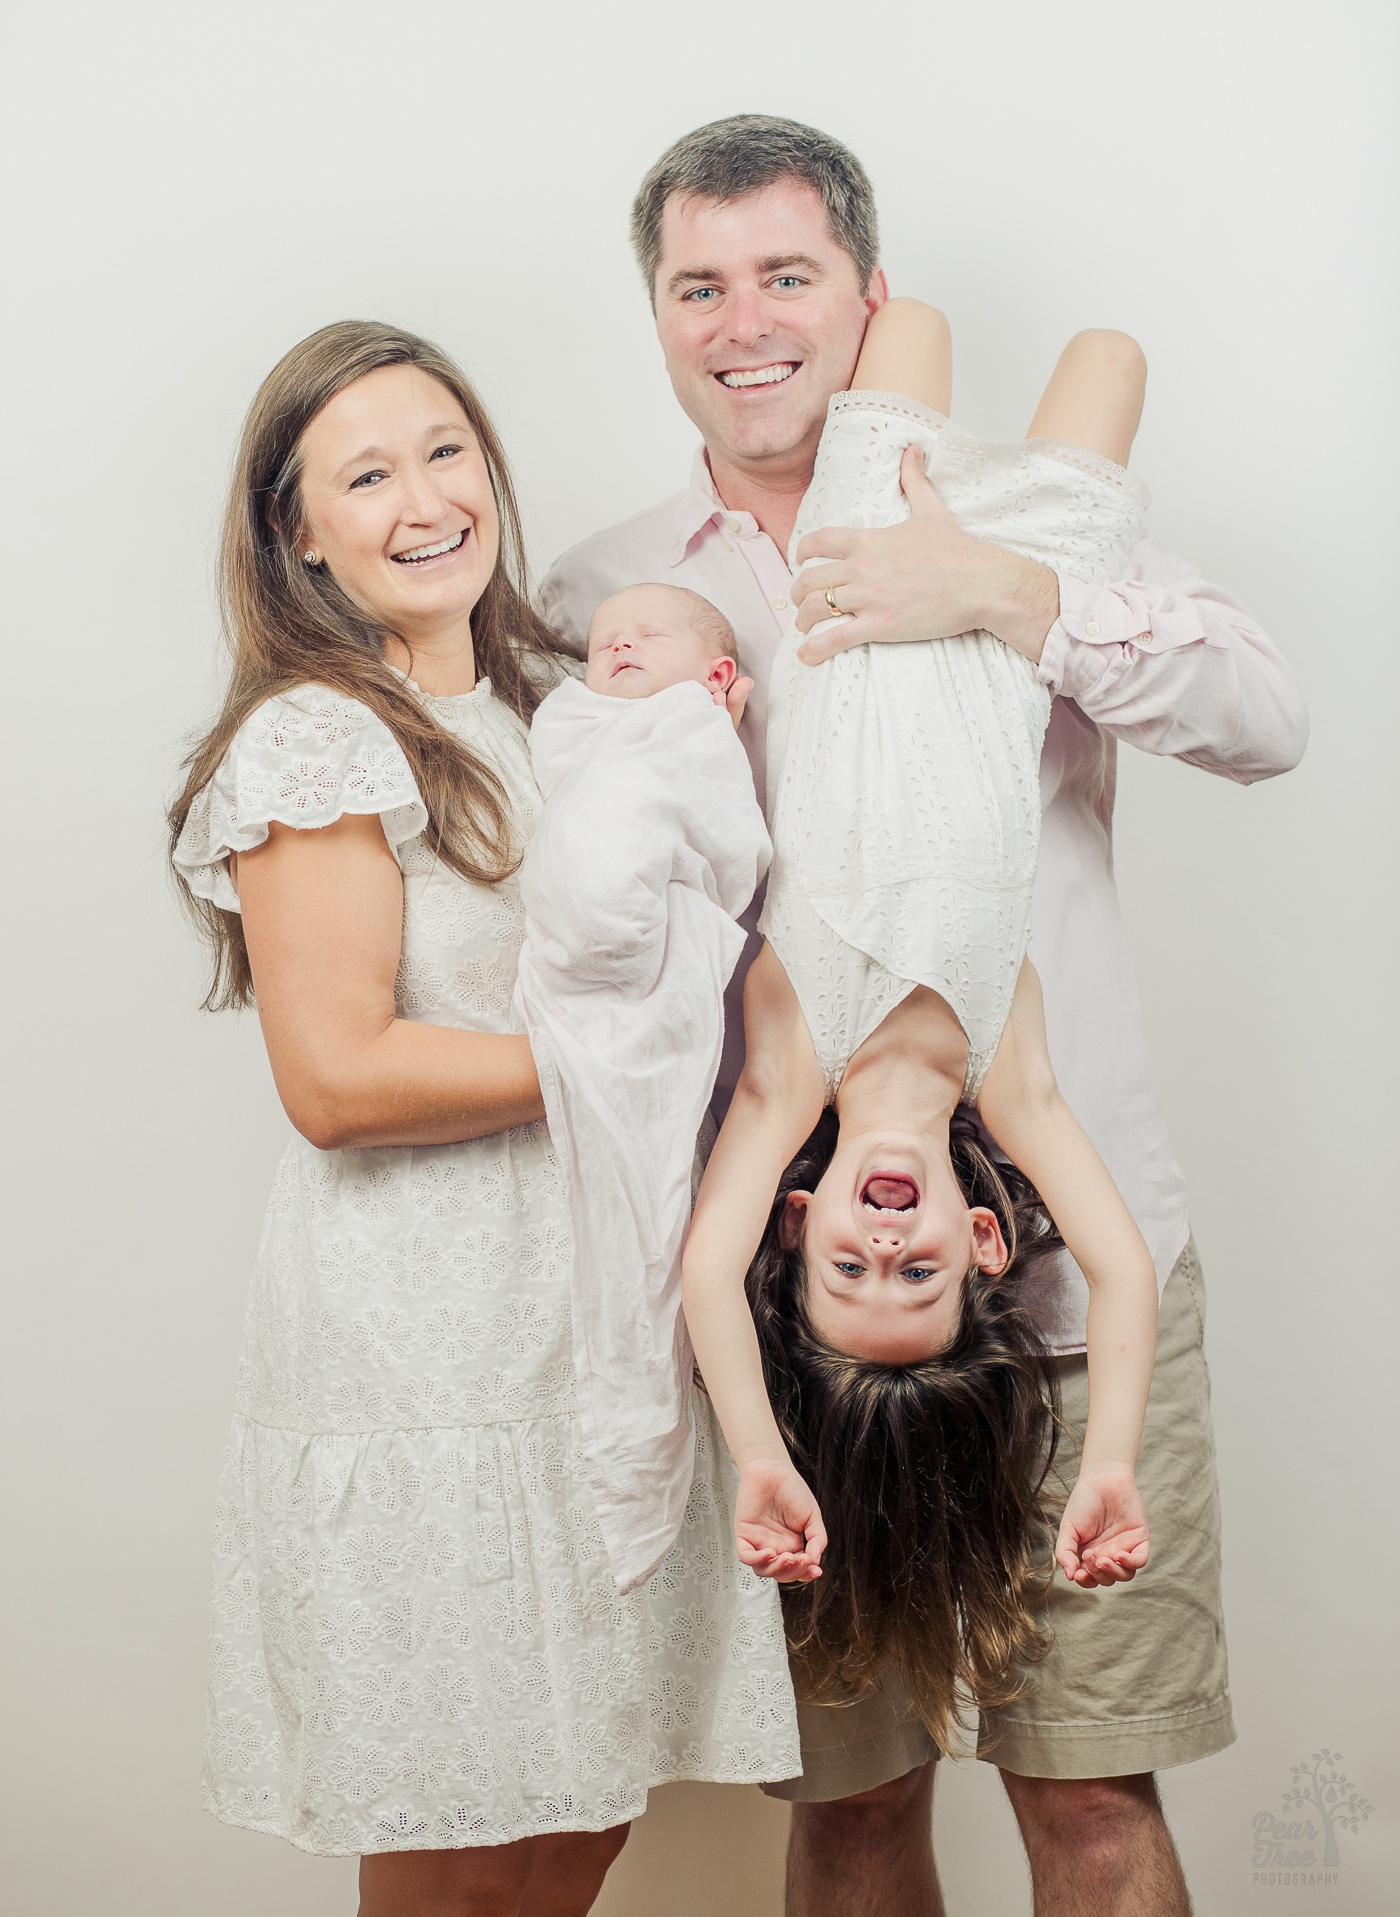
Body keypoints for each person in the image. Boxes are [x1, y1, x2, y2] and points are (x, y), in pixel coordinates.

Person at [538, 115, 1309, 1917]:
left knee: (1093, 1801)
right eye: (699, 286)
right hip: (806, 1338)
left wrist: (1001, 597)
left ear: (866, 303)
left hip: (1064, 1290)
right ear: (656, 314)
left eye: (788, 277)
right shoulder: (606, 594)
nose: (744, 323)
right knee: (857, 1806)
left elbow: (1267, 721)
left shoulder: (1016, 526)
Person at [168, 321, 799, 1917]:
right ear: (298, 529)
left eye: (444, 449)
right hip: (425, 1346)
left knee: (577, 1805)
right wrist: (641, 1056)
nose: (425, 497)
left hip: (581, 1310)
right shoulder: (318, 734)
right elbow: (338, 1080)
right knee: (454, 1836)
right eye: (364, 474)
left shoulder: (557, 703)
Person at [681, 298, 1161, 1751]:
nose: (888, 1249)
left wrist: (768, 1460)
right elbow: (1126, 1276)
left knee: (924, 326)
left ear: (804, 1216)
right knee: (1111, 356)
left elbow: (708, 1279)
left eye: (850, 1270)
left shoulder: (787, 1073)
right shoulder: (1008, 1080)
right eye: (921, 1277)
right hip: (1011, 603)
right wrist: (1109, 1466)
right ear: (986, 1243)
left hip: (866, 567)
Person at [515, 584, 769, 1594]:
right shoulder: (577, 725)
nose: (617, 640)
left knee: (651, 1228)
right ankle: (628, 1482)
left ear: (715, 680)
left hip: (641, 948)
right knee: (625, 1237)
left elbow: (718, 832)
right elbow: (563, 792)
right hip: (577, 967)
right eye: (606, 636)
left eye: (647, 633)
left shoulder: (688, 733)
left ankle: (642, 1475)